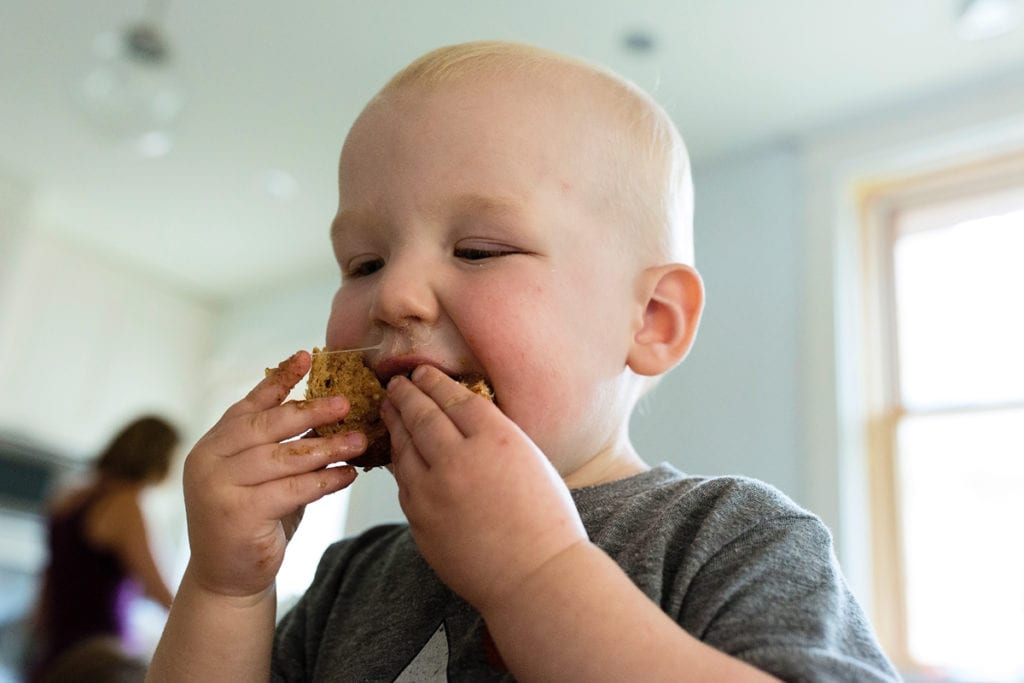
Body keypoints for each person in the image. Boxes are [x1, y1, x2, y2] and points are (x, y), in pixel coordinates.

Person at [148, 41, 900, 681]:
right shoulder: (349, 579)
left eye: (479, 250)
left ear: (651, 321)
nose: (396, 296)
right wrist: (225, 589)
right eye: (364, 261)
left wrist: (534, 575)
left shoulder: (726, 536)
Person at [28, 416, 178, 682]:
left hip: (56, 643)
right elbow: (155, 588)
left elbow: (52, 574)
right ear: (159, 458)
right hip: (99, 651)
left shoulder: (70, 496)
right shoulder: (125, 505)